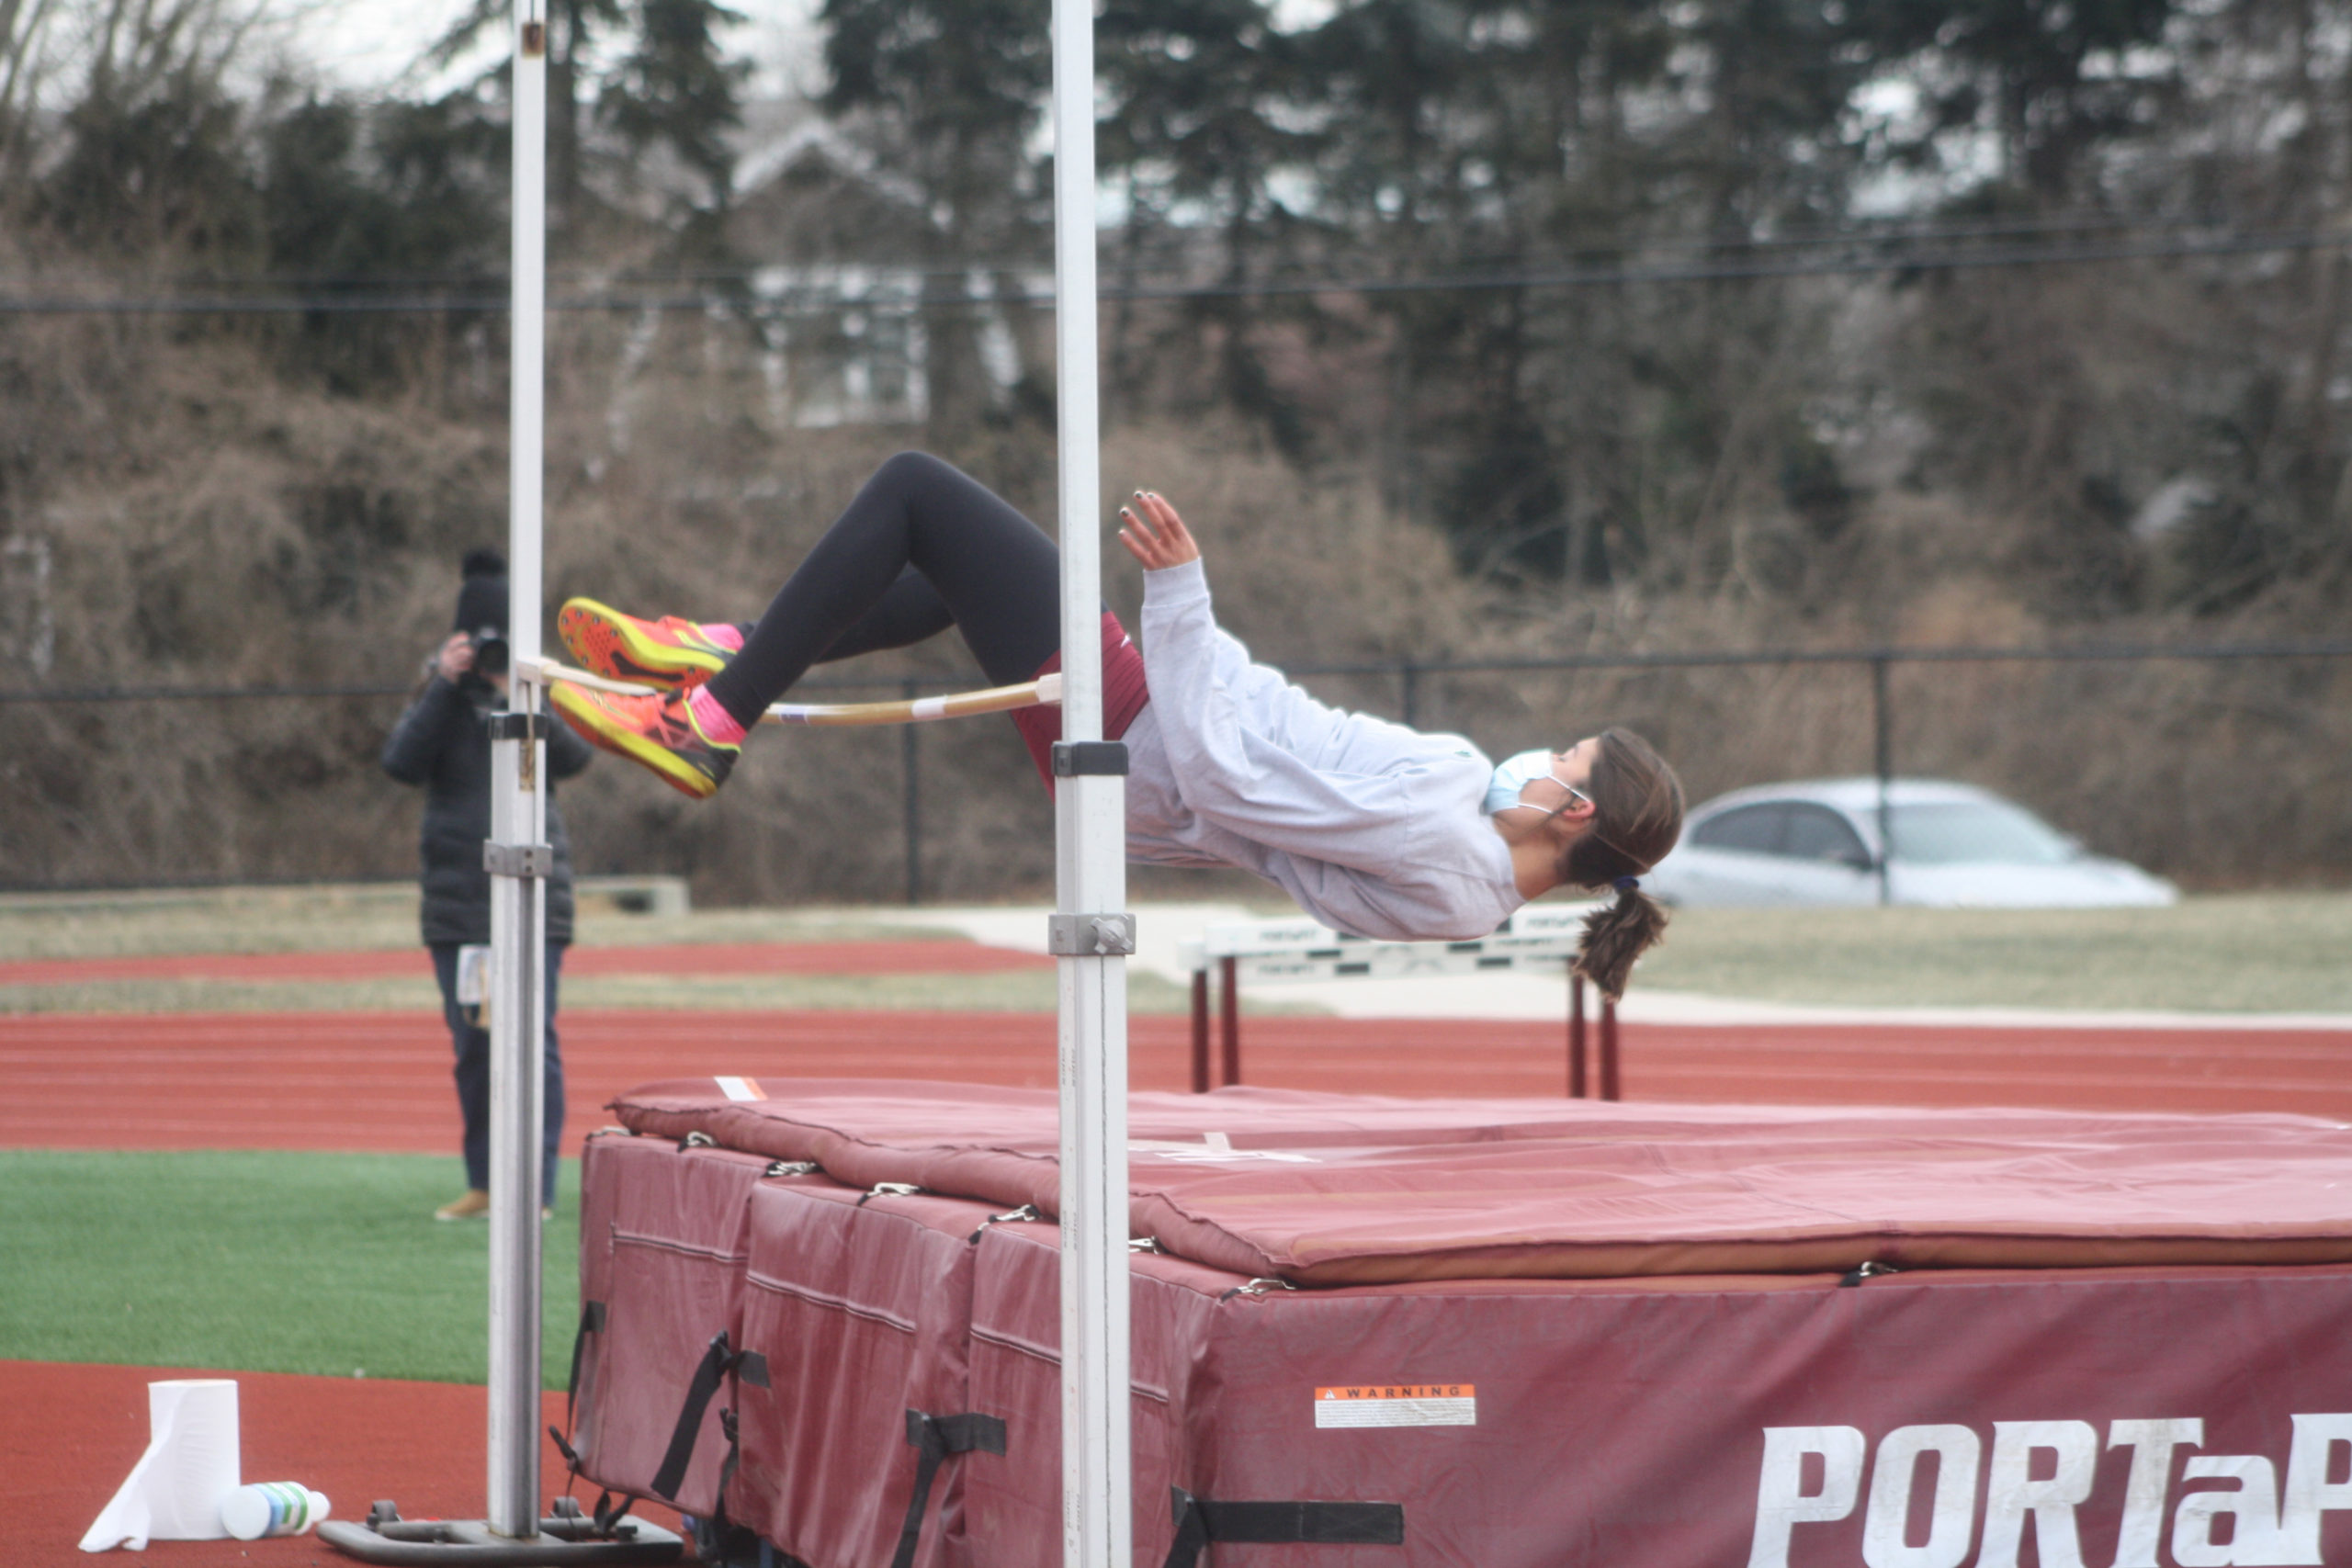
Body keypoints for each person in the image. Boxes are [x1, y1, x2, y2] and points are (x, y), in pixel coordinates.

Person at [549, 453, 1683, 996]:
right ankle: (722, 658)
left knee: (915, 492)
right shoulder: (1468, 840)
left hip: (1147, 736)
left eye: (1563, 757)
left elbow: (1234, 785)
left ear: (1570, 808)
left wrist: (1183, 595)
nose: (1541, 752)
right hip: (1159, 727)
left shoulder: (1451, 851)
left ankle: (709, 715)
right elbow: (1260, 753)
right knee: (946, 565)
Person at [383, 548, 593, 1220]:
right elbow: (401, 762)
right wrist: (446, 684)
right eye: (481, 642)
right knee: (476, 1045)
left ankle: (535, 1189)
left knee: (535, 1041)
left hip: (534, 896)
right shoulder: (437, 694)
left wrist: (518, 690)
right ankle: (484, 1180)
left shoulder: (532, 687)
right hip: (462, 905)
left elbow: (576, 756)